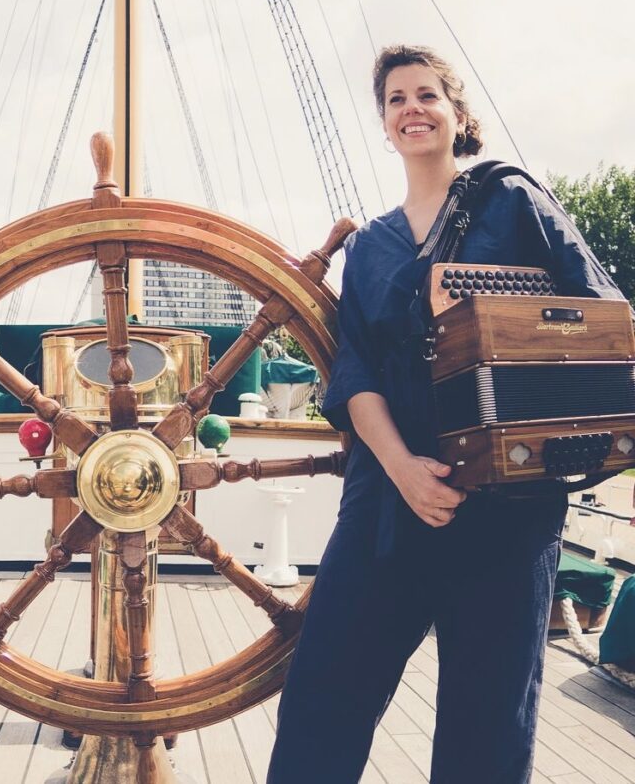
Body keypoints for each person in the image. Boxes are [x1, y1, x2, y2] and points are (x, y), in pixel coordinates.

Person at [267, 44, 626, 784]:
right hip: (388, 500)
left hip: (511, 502)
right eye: (396, 100)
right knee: (322, 698)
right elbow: (355, 370)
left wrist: (490, 300)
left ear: (458, 115)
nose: (411, 109)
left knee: (488, 725)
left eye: (426, 94)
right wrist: (401, 468)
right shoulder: (368, 247)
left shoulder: (514, 201)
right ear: (385, 125)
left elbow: (601, 317)